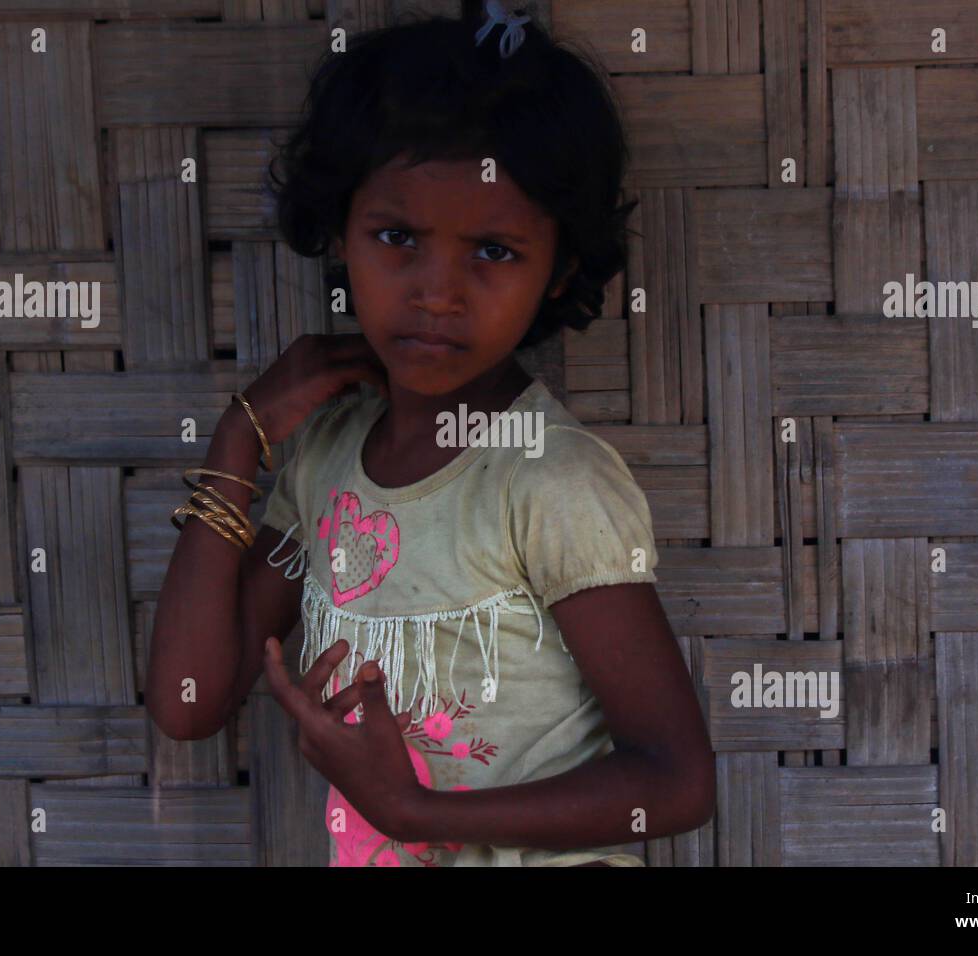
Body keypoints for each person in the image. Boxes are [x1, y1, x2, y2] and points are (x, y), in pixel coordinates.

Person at [147, 0, 715, 867]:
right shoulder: (326, 457)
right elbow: (188, 703)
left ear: (558, 268)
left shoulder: (548, 482)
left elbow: (676, 784)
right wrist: (239, 440)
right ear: (341, 232)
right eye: (397, 236)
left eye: (492, 250)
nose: (436, 290)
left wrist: (410, 812)